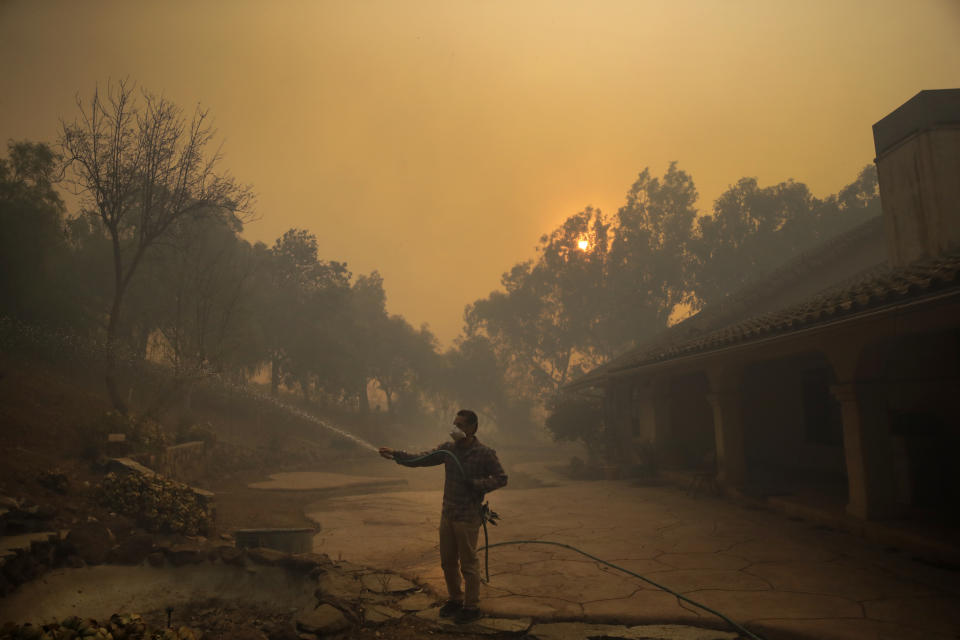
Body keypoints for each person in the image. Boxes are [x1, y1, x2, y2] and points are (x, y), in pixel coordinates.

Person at [378, 409, 507, 624]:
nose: (455, 429)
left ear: (473, 428)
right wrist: (396, 455)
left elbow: (502, 478)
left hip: (467, 516)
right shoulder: (448, 450)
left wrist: (477, 485)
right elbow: (422, 458)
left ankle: (471, 606)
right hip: (447, 513)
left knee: (468, 564)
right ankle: (455, 600)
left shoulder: (485, 453)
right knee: (447, 562)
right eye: (454, 424)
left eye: (461, 425)